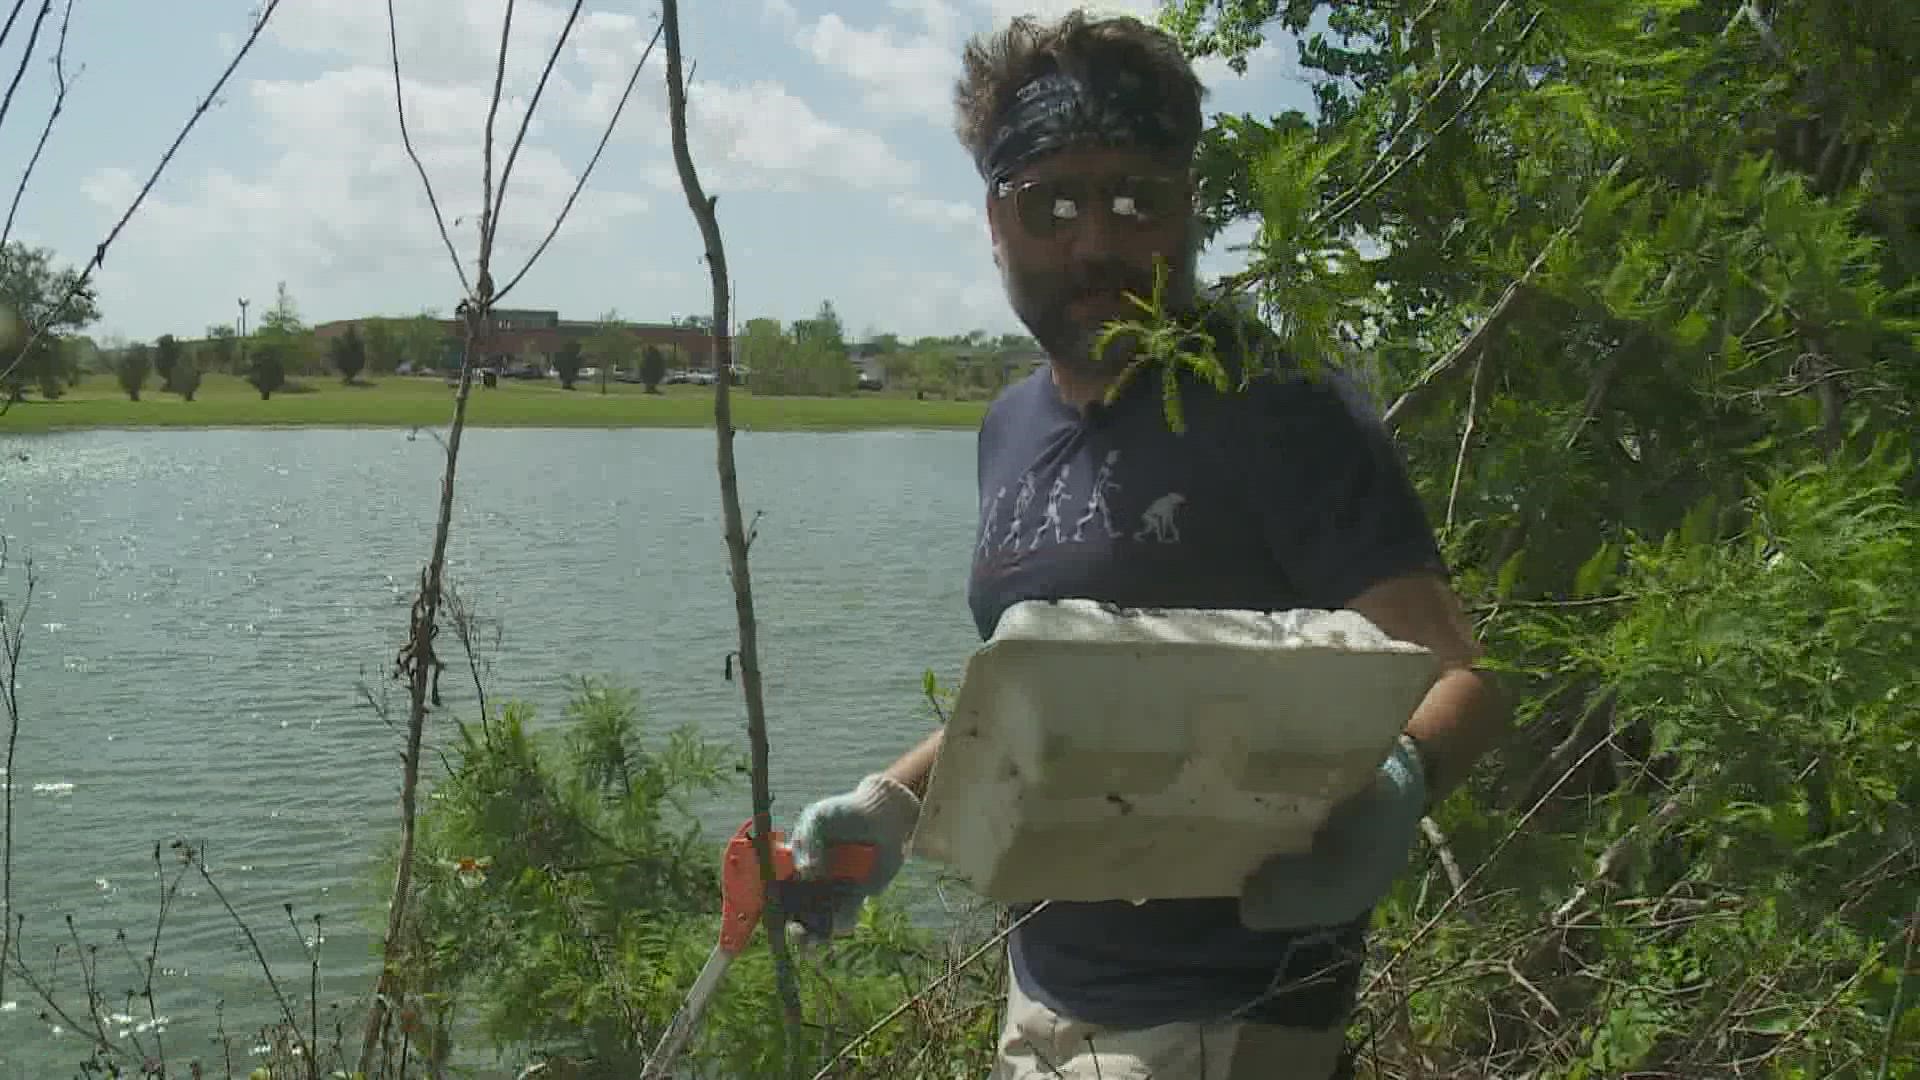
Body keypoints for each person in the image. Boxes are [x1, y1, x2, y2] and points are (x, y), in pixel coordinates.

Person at [790, 9, 1510, 1079]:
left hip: (1230, 1021)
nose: (1096, 242)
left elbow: (1461, 675)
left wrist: (1400, 776)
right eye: (1054, 203)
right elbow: (1064, 687)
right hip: (1042, 995)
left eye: (1137, 199)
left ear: (1188, 211)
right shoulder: (1009, 428)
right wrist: (891, 804)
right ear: (997, 217)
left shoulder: (1279, 409)